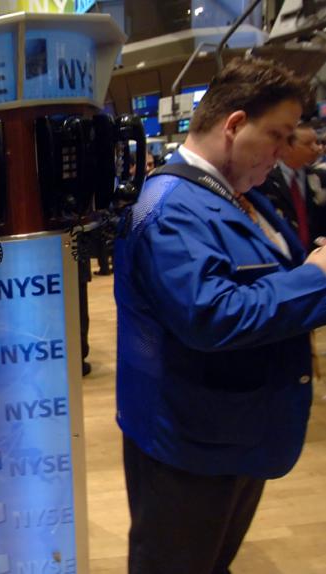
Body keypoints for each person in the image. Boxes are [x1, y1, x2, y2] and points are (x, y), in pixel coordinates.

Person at [114, 57, 326, 574]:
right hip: (190, 441)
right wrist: (318, 278)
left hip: (236, 427)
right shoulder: (167, 204)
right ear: (234, 125)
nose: (281, 154)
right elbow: (210, 315)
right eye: (275, 136)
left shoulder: (233, 195)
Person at [257, 122, 326, 250]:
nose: (316, 148)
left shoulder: (321, 177)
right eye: (308, 144)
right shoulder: (263, 180)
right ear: (288, 146)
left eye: (316, 143)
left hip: (317, 253)